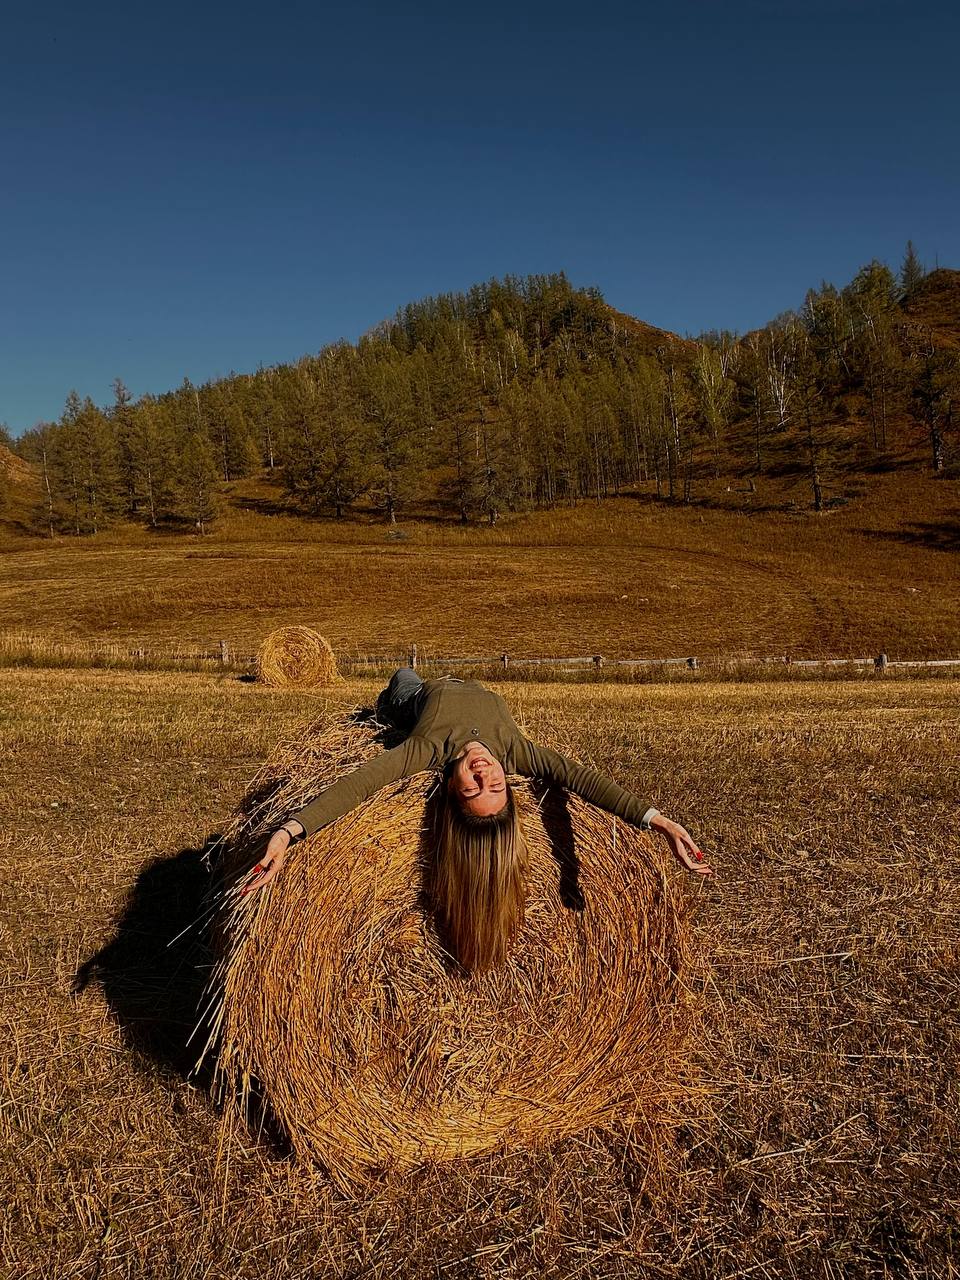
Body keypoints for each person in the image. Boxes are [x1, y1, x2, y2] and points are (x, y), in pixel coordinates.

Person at [243, 669, 713, 970]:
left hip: (423, 698)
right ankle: (385, 705)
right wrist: (659, 822)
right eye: (494, 787)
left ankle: (390, 702)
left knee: (404, 681)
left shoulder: (426, 751)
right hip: (443, 688)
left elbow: (362, 783)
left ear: (449, 788)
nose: (484, 773)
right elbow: (580, 778)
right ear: (510, 785)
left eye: (472, 788)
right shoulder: (514, 752)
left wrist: (288, 833)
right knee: (401, 683)